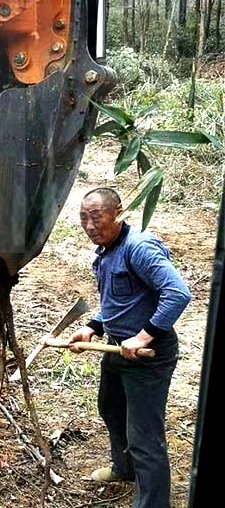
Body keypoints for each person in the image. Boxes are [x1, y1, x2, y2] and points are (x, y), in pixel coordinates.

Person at [69, 186, 192, 508]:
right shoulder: (107, 250)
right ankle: (124, 469)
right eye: (84, 218)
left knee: (145, 437)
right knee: (111, 409)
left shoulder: (139, 248)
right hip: (117, 348)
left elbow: (178, 294)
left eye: (97, 217)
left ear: (119, 214)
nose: (90, 226)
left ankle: (152, 503)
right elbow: (119, 301)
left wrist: (143, 336)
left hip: (148, 356)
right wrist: (93, 327)